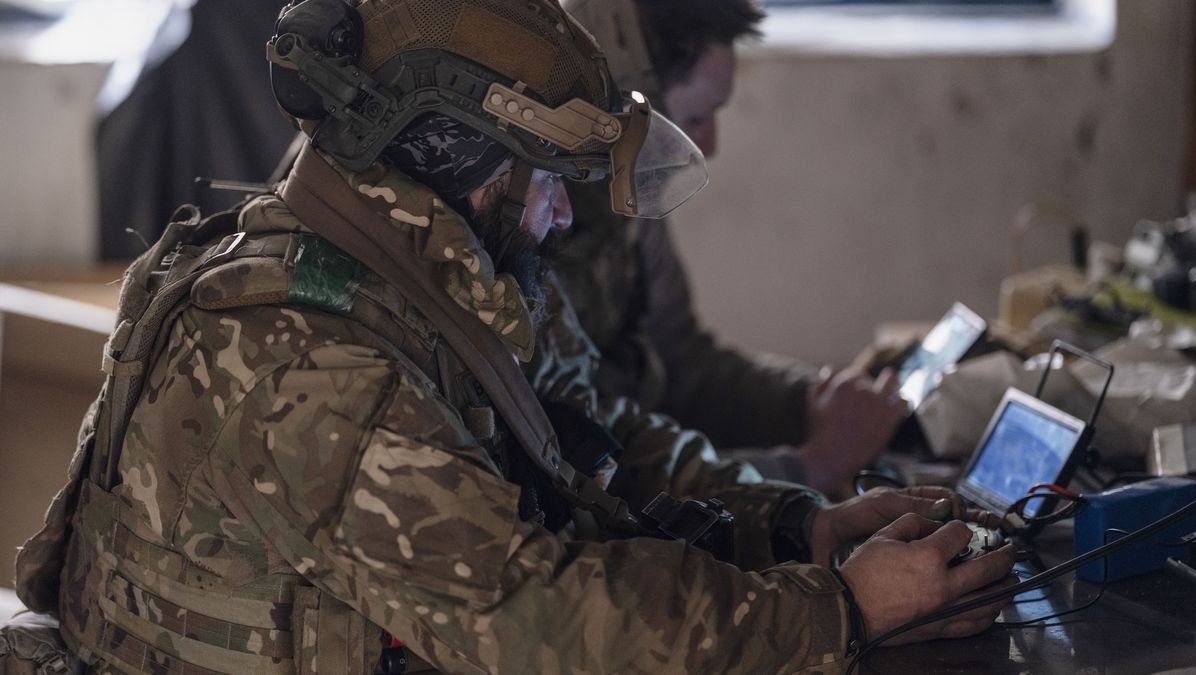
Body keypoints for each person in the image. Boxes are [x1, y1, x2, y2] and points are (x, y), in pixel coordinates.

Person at [13, 1, 1015, 673]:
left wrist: (793, 526)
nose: (565, 218)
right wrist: (837, 613)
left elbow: (588, 446)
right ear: (459, 160)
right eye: (548, 181)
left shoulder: (430, 276)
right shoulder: (313, 367)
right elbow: (546, 623)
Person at [558, 0, 906, 493]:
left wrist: (809, 402)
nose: (711, 144)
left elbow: (682, 364)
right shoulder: (532, 228)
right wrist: (808, 468)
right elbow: (585, 461)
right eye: (696, 118)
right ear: (623, 111)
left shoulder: (624, 200)